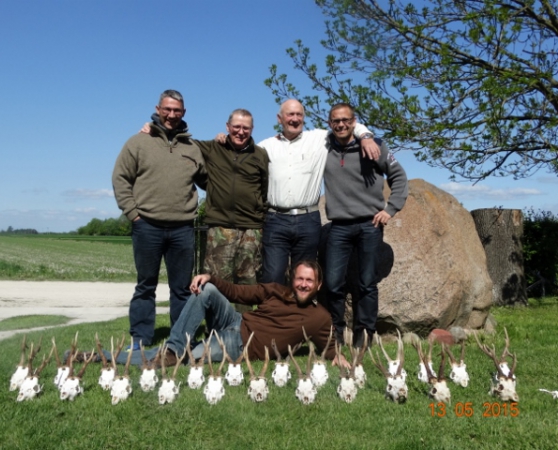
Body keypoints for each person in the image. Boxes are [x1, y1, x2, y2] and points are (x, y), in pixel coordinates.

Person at [105, 260, 348, 368]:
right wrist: (210, 277)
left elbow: (329, 349)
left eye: (309, 280)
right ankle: (173, 349)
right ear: (292, 280)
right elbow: (239, 292)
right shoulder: (276, 290)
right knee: (207, 289)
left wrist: (338, 357)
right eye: (299, 278)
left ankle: (103, 357)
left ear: (318, 285)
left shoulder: (320, 318)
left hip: (240, 345)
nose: (303, 284)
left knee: (189, 357)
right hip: (235, 321)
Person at [112, 89, 208, 350]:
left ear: (184, 113)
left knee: (182, 289)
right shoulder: (138, 142)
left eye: (177, 110)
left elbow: (209, 180)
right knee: (146, 286)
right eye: (167, 109)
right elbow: (121, 178)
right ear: (157, 109)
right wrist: (133, 214)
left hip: (182, 228)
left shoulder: (192, 147)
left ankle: (182, 339)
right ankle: (141, 340)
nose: (171, 115)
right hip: (148, 226)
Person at [257, 99, 380, 284]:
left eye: (299, 114)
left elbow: (347, 124)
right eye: (290, 114)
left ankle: (300, 314)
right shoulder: (265, 146)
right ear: (279, 118)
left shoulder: (319, 139)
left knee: (304, 278)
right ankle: (272, 313)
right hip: (276, 220)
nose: (295, 119)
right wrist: (223, 139)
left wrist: (366, 136)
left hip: (308, 220)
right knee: (273, 275)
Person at [323, 102, 408, 348]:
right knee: (333, 283)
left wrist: (390, 209)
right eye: (336, 121)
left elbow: (399, 177)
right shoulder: (324, 147)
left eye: (346, 120)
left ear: (354, 121)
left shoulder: (376, 146)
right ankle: (336, 334)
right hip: (338, 226)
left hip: (369, 225)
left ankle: (365, 336)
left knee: (367, 283)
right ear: (330, 123)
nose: (341, 124)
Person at [195, 109, 269, 289]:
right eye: (236, 127)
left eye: (246, 128)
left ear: (252, 129)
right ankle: (219, 318)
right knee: (217, 281)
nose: (241, 132)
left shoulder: (260, 155)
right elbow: (182, 145)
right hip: (220, 227)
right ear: (227, 127)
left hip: (251, 228)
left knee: (247, 282)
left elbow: (265, 188)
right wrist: (153, 128)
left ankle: (245, 318)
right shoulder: (213, 148)